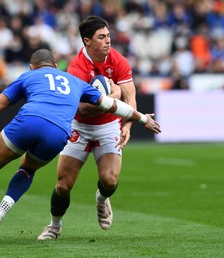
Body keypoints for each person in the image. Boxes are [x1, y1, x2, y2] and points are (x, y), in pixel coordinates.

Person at [0, 49, 161, 244]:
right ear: (55, 65)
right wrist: (143, 119)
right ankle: (0, 212)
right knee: (28, 169)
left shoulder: (28, 76)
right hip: (59, 132)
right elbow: (113, 105)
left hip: (29, 121)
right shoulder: (75, 81)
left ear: (33, 66)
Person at [38, 16, 140, 240]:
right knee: (63, 186)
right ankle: (54, 226)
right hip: (79, 126)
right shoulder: (77, 68)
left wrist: (128, 124)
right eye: (101, 37)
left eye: (108, 36)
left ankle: (102, 199)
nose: (107, 41)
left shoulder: (118, 60)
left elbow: (131, 97)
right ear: (87, 41)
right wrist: (113, 96)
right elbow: (83, 110)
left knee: (110, 180)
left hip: (109, 124)